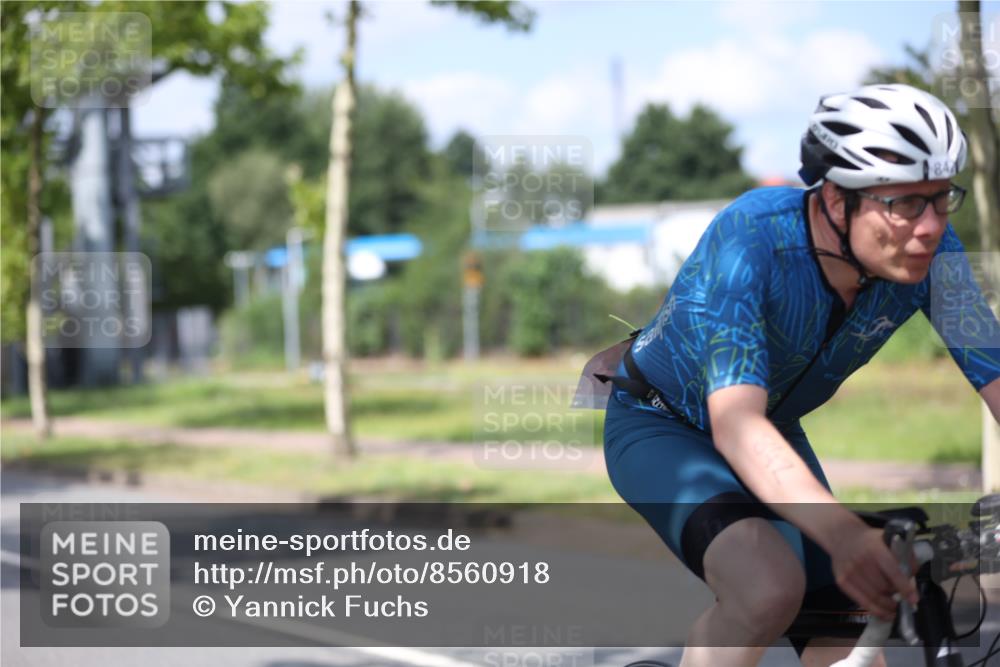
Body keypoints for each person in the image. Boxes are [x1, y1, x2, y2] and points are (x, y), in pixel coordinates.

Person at [600, 83, 1000, 667]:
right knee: (768, 588)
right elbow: (735, 424)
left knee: (851, 629)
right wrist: (842, 537)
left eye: (941, 199)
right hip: (664, 424)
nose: (931, 225)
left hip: (773, 428)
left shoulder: (937, 258)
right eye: (906, 203)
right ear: (838, 201)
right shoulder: (752, 240)